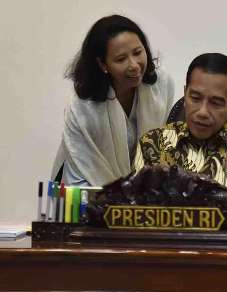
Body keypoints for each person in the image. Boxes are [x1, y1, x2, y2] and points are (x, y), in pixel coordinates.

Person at [133, 53, 227, 213]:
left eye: (216, 103)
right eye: (195, 98)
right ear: (185, 95)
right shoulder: (153, 143)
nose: (203, 112)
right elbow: (136, 209)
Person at [51, 15, 175, 186]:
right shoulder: (82, 107)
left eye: (138, 52)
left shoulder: (161, 84)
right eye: (121, 59)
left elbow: (166, 145)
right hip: (86, 192)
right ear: (103, 65)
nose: (134, 65)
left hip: (146, 196)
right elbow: (81, 173)